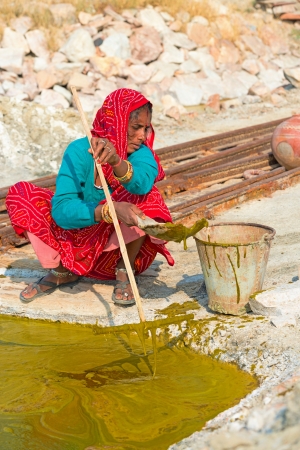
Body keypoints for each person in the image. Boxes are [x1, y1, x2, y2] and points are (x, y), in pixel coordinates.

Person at [6, 88, 174, 306]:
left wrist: (116, 161)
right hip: (71, 241)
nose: (142, 136)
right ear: (117, 122)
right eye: (136, 127)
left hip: (112, 254)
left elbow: (142, 183)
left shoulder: (142, 153)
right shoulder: (78, 150)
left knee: (148, 196)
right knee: (21, 194)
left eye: (146, 128)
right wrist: (108, 211)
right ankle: (63, 271)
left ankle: (124, 270)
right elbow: (61, 210)